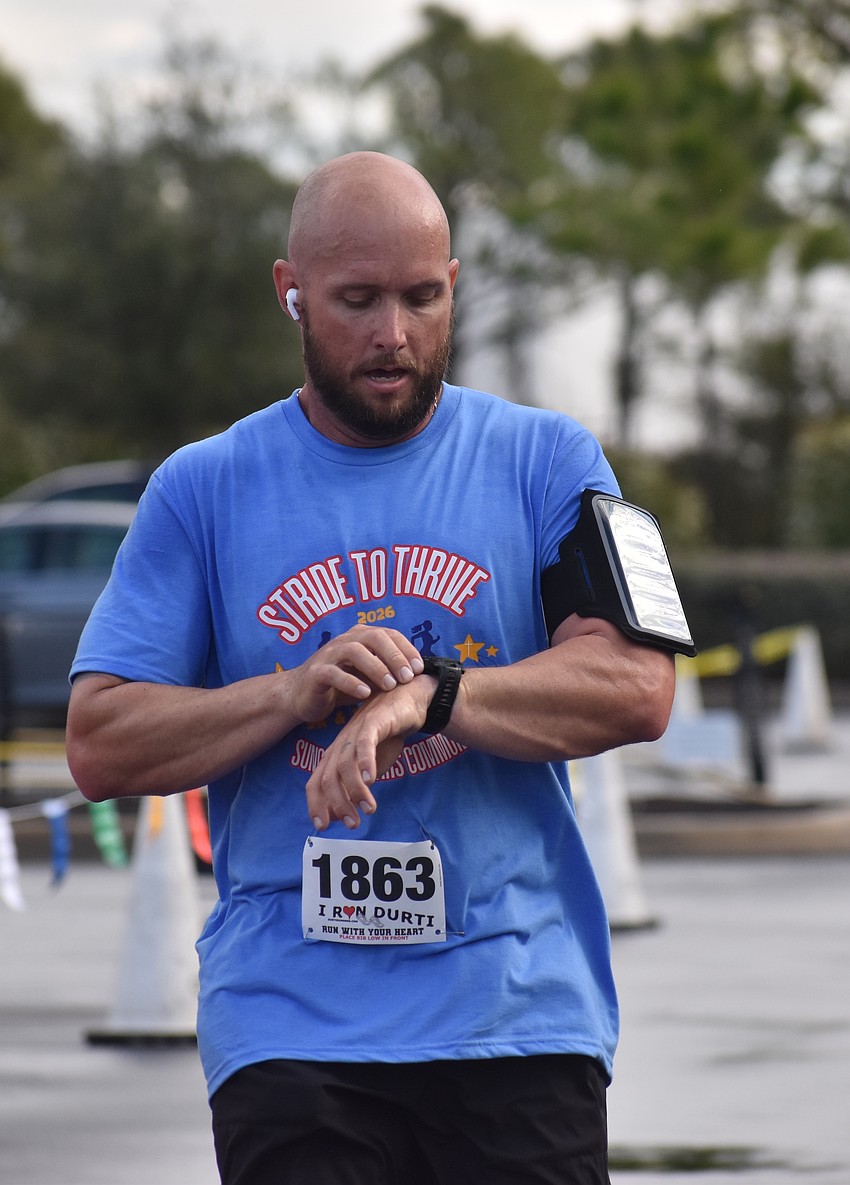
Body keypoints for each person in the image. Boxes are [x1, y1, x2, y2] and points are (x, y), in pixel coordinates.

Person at [67, 150, 682, 1185]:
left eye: (420, 296)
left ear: (454, 284)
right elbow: (98, 741)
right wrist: (290, 691)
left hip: (517, 1018)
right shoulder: (202, 490)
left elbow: (637, 685)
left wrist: (430, 694)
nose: (392, 334)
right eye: (356, 300)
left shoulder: (550, 462)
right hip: (292, 1030)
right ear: (290, 290)